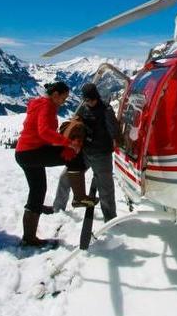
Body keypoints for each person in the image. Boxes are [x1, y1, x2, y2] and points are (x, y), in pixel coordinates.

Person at [15, 81, 82, 247]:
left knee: (38, 190)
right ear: (55, 95)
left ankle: (29, 237)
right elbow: (44, 131)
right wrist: (67, 143)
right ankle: (80, 196)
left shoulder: (42, 104)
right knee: (73, 156)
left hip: (25, 153)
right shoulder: (46, 105)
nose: (64, 102)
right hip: (31, 153)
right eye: (63, 98)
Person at [73, 82, 120, 221]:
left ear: (97, 97)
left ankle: (110, 219)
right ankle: (59, 208)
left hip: (102, 154)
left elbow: (114, 129)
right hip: (86, 151)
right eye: (87, 100)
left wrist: (117, 140)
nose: (90, 102)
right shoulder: (83, 108)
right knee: (69, 176)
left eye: (92, 99)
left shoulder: (106, 109)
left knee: (106, 189)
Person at [51, 117, 100, 212]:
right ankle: (59, 208)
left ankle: (61, 207)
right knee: (64, 177)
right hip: (83, 152)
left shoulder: (77, 126)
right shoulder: (79, 124)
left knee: (67, 176)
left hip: (92, 153)